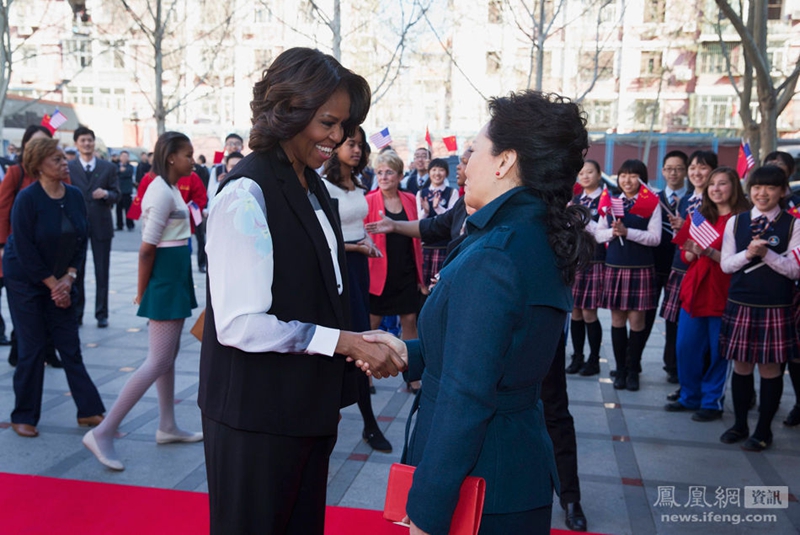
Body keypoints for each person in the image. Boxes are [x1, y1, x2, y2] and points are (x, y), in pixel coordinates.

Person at [361, 90, 594, 535]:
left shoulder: (496, 253)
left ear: (504, 161)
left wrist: (428, 511)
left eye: (475, 151)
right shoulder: (529, 232)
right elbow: (494, 350)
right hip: (509, 470)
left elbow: (467, 395)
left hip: (478, 483)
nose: (464, 164)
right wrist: (411, 352)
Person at [197, 47, 405, 534]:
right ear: (288, 111)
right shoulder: (244, 193)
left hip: (306, 409)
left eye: (345, 125)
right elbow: (238, 324)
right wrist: (346, 341)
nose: (338, 137)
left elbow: (321, 289)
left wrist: (360, 340)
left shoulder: (313, 185)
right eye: (328, 123)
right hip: (254, 417)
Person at [83, 132, 201, 471]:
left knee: (168, 357)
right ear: (171, 159)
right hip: (164, 278)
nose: (193, 160)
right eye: (188, 154)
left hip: (173, 275)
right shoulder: (161, 192)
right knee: (158, 360)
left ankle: (167, 425)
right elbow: (146, 249)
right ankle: (104, 431)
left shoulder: (169, 190)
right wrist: (141, 289)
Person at [4, 137, 105, 438]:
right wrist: (53, 286)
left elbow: (80, 239)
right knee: (33, 347)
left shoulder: (73, 195)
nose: (64, 163)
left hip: (61, 277)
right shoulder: (27, 199)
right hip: (25, 280)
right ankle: (23, 415)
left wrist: (69, 278)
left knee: (69, 345)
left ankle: (88, 410)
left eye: (64, 158)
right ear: (38, 166)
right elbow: (23, 248)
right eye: (57, 160)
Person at [719, 165, 800, 452]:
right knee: (741, 366)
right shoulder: (737, 222)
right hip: (740, 303)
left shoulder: (793, 224)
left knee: (770, 369)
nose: (761, 193)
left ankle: (764, 430)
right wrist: (748, 254)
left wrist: (768, 254)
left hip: (775, 306)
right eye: (756, 187)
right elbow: (726, 264)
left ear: (782, 191)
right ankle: (740, 424)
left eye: (769, 188)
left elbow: (794, 270)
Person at [322, 126, 392, 453]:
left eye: (361, 145)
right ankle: (335, 417)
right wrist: (356, 248)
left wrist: (364, 240)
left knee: (362, 336)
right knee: (345, 340)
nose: (357, 150)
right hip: (339, 267)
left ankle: (368, 421)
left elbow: (352, 226)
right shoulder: (322, 186)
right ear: (336, 146)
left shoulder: (358, 183)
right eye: (351, 144)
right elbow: (323, 240)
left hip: (359, 266)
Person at [665, 167, 750, 421]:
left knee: (718, 351)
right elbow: (686, 255)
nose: (715, 188)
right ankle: (688, 396)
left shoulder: (743, 219)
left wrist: (709, 252)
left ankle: (712, 402)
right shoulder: (700, 215)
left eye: (722, 184)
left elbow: (742, 259)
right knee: (685, 347)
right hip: (695, 290)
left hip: (725, 292)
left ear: (734, 187)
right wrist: (691, 250)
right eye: (712, 184)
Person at [595, 159, 661, 392]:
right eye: (623, 175)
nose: (627, 180)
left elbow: (655, 238)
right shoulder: (613, 202)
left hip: (640, 269)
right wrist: (612, 233)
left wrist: (628, 232)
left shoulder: (651, 204)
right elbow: (598, 235)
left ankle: (634, 370)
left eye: (633, 175)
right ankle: (620, 370)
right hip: (615, 266)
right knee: (617, 321)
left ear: (642, 179)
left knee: (637, 322)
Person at [0, 125, 63, 366]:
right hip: (22, 250)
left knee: (49, 304)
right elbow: (3, 210)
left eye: (46, 143)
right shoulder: (16, 174)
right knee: (25, 306)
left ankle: (48, 350)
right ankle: (21, 349)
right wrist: (3, 244)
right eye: (35, 143)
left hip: (51, 252)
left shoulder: (58, 172)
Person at [659, 151, 717, 400]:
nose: (696, 173)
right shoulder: (685, 201)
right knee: (680, 332)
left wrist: (689, 229)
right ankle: (685, 383)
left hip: (707, 275)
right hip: (681, 269)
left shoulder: (715, 201)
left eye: (702, 168)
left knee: (704, 337)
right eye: (692, 168)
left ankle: (705, 389)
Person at [365, 151, 424, 367]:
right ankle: (367, 373)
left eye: (389, 172)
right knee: (373, 322)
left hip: (406, 269)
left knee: (409, 320)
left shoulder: (409, 198)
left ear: (400, 176)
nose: (383, 177)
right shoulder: (368, 200)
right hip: (379, 273)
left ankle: (411, 370)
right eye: (379, 172)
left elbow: (416, 235)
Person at [68, 126, 120, 328]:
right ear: (76, 144)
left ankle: (102, 313)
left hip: (101, 224)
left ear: (93, 142)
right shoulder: (69, 168)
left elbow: (117, 195)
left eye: (89, 140)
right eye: (82, 140)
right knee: (76, 270)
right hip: (76, 226)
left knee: (102, 271)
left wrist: (106, 194)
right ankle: (77, 312)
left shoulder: (108, 167)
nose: (87, 144)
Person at [647, 150, 688, 384]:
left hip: (681, 268)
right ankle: (632, 365)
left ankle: (672, 365)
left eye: (679, 168)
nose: (674, 173)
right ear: (662, 171)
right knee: (645, 317)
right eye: (669, 168)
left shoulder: (694, 201)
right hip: (655, 265)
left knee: (674, 319)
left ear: (686, 171)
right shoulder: (653, 199)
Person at [567, 159, 606, 376]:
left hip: (596, 259)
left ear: (599, 175)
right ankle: (577, 356)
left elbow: (602, 231)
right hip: (577, 259)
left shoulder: (606, 199)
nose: (585, 176)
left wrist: (579, 221)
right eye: (581, 173)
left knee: (590, 313)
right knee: (575, 312)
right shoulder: (576, 200)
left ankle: (593, 359)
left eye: (590, 172)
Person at [416, 158, 459, 288]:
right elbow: (418, 220)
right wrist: (426, 211)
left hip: (443, 245)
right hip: (425, 245)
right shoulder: (421, 193)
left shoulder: (452, 192)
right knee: (423, 285)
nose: (437, 173)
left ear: (446, 173)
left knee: (440, 285)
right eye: (434, 170)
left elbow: (452, 219)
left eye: (441, 170)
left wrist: (437, 208)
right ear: (429, 173)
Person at [116, 150, 135, 231]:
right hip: (118, 191)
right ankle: (119, 225)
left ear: (128, 158)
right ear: (120, 157)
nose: (124, 158)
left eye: (125, 156)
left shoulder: (130, 167)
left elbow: (128, 173)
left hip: (127, 191)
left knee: (128, 209)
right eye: (122, 156)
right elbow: (114, 174)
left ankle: (130, 224)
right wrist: (120, 171)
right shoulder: (116, 166)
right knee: (118, 209)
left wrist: (121, 172)